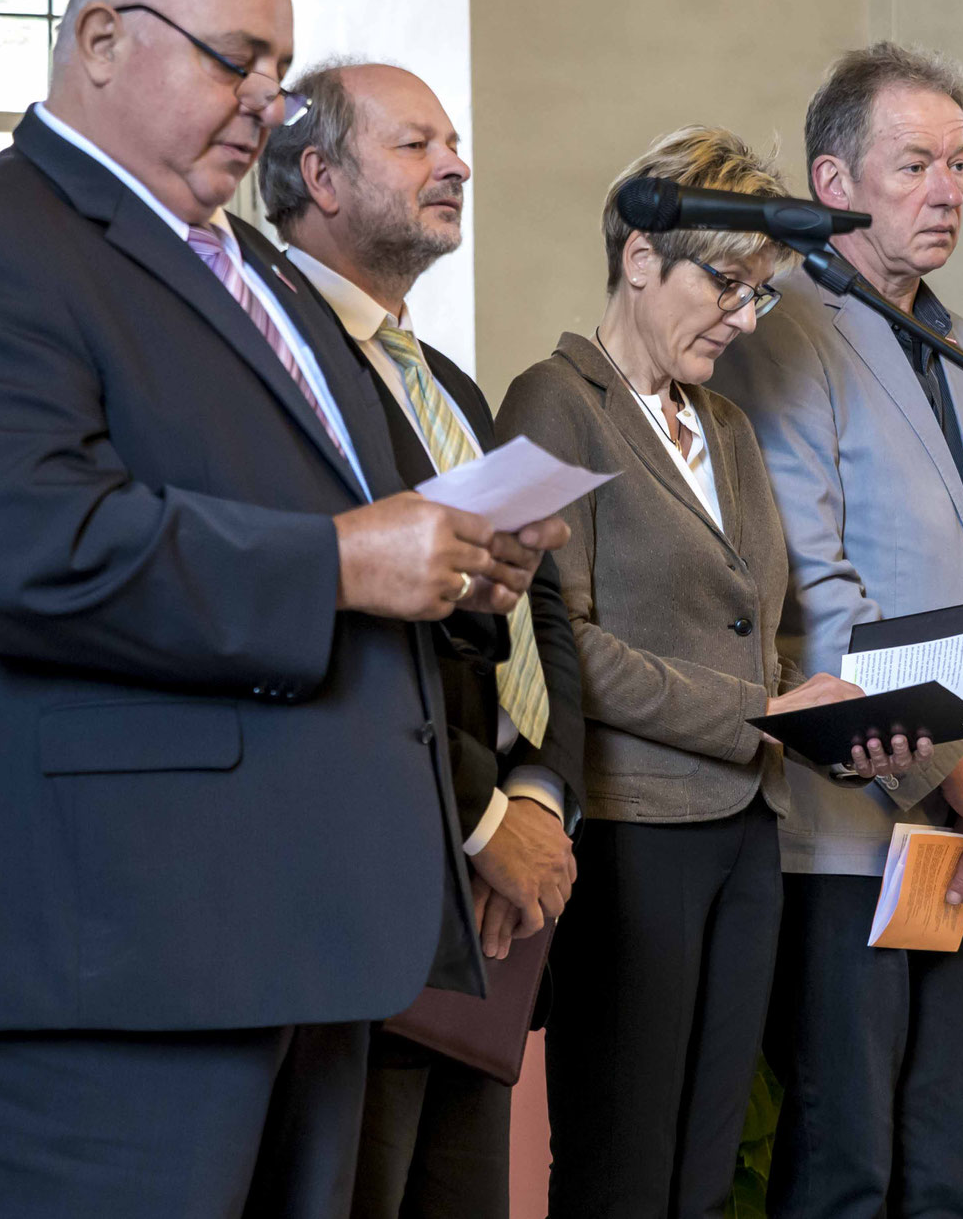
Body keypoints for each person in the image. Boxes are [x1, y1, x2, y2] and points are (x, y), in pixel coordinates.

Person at [0, 0, 565, 1219]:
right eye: (237, 60)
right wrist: (348, 562)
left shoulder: (266, 283)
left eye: (280, 74)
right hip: (93, 964)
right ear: (103, 40)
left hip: (299, 945)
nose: (266, 106)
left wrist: (464, 561)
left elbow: (370, 515)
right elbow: (32, 549)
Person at [498, 127, 918, 1218]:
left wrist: (836, 712)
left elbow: (763, 625)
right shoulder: (553, 401)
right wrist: (767, 710)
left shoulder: (725, 425)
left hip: (744, 829)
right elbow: (565, 644)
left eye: (758, 294)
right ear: (640, 259)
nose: (740, 318)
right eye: (725, 284)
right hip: (634, 831)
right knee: (621, 1164)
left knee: (709, 1164)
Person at [712, 42, 963, 1216]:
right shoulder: (777, 339)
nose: (948, 189)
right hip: (848, 827)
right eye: (914, 164)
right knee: (845, 1164)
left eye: (959, 162)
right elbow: (813, 592)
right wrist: (954, 771)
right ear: (832, 180)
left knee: (945, 1165)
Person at [257, 60, 584, 1219]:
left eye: (454, 141)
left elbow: (535, 603)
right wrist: (480, 821)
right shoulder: (274, 358)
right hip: (361, 887)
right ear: (318, 177)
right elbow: (330, 625)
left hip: (488, 911)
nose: (454, 164)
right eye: (414, 145)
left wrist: (541, 795)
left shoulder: (439, 376)